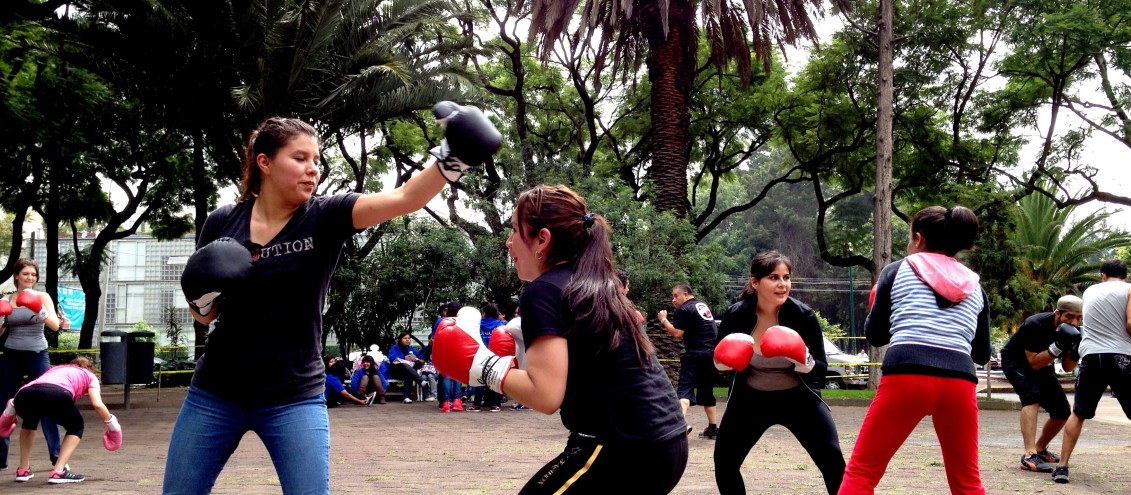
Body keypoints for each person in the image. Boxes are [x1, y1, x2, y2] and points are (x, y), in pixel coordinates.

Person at [164, 103, 501, 494]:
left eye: (317, 160)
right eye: (300, 158)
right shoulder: (222, 222)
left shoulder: (326, 215)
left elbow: (405, 198)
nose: (313, 169)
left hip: (293, 396)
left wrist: (452, 159)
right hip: (217, 391)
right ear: (264, 162)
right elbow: (206, 316)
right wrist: (200, 298)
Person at [432, 184, 688, 493]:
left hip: (623, 447)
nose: (508, 242)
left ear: (542, 239)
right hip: (665, 440)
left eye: (515, 230)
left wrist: (484, 367)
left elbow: (545, 396)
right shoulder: (596, 282)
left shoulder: (544, 290)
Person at [839, 205, 991, 495]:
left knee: (862, 472)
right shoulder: (976, 287)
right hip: (959, 384)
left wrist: (880, 305)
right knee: (967, 483)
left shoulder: (897, 270)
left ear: (918, 239)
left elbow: (875, 336)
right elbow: (982, 354)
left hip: (907, 376)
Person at [711, 250, 844, 494]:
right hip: (750, 400)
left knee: (833, 461)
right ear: (755, 282)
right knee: (725, 462)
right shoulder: (737, 315)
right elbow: (717, 363)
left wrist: (806, 360)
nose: (782, 284)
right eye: (773, 277)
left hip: (799, 400)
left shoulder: (803, 316)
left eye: (786, 277)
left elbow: (822, 371)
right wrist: (721, 363)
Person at [1052, 259, 1131, 484]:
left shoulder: (1089, 292)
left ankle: (1062, 467)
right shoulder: (1129, 289)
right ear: (1125, 276)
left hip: (1091, 357)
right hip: (1121, 356)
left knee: (1078, 413)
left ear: (1102, 275)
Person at [0, 357, 120, 484]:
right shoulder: (89, 375)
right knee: (76, 426)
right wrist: (113, 426)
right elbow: (97, 404)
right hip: (56, 393)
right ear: (89, 368)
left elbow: (40, 386)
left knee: (30, 420)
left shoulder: (56, 369)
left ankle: (23, 470)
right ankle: (58, 471)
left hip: (23, 395)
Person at [999, 295, 1082, 473]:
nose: (1074, 322)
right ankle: (1029, 454)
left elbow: (1067, 368)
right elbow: (1034, 363)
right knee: (1032, 397)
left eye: (1079, 318)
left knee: (1062, 412)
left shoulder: (1073, 331)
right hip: (1016, 361)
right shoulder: (1035, 324)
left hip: (1043, 363)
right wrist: (1058, 345)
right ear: (1058, 313)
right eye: (1069, 316)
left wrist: (1076, 349)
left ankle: (1040, 449)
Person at [0, 258, 64, 473]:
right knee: (4, 405)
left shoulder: (42, 296)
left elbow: (55, 326)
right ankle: (1, 458)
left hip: (38, 354)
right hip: (11, 355)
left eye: (33, 274)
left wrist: (39, 309)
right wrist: (1, 318)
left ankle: (57, 457)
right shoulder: (6, 299)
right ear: (16, 276)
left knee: (48, 402)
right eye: (25, 274)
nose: (30, 278)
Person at [657, 283, 719, 438]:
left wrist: (663, 320)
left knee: (684, 390)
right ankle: (713, 429)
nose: (673, 300)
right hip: (711, 355)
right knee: (706, 391)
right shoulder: (701, 304)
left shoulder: (684, 309)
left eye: (675, 296)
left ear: (685, 294)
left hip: (694, 355)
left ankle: (680, 426)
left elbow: (677, 334)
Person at [387, 332, 426, 403]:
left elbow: (420, 358)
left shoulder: (411, 349)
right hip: (396, 371)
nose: (407, 340)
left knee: (408, 374)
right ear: (400, 339)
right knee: (405, 365)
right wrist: (404, 357)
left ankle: (406, 397)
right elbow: (391, 358)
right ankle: (420, 381)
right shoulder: (395, 348)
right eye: (405, 338)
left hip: (408, 372)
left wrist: (416, 359)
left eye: (408, 338)